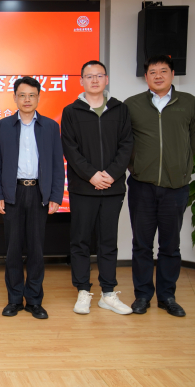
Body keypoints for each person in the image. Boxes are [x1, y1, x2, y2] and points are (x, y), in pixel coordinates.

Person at [125, 55, 195, 317]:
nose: (158, 76)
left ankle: (167, 296)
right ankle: (142, 295)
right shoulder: (133, 104)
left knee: (170, 246)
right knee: (142, 245)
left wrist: (180, 167)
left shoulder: (188, 102)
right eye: (152, 72)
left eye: (163, 71)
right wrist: (136, 166)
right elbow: (125, 142)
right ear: (145, 77)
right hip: (142, 186)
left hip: (175, 187)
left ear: (172, 74)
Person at [61, 60, 134, 315]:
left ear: (106, 79)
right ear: (81, 81)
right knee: (80, 241)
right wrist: (92, 175)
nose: (94, 80)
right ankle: (83, 291)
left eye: (99, 75)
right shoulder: (71, 111)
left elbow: (127, 145)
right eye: (89, 76)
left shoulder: (120, 109)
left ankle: (108, 293)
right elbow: (70, 148)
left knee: (108, 240)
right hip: (83, 188)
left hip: (113, 188)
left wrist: (111, 175)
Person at [0, 76, 64, 319]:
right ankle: (14, 300)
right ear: (15, 98)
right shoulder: (2, 126)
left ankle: (34, 300)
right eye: (22, 95)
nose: (27, 99)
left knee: (36, 249)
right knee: (12, 249)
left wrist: (55, 195)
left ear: (38, 98)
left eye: (32, 95)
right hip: (13, 192)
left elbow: (57, 164)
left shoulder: (50, 127)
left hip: (39, 193)